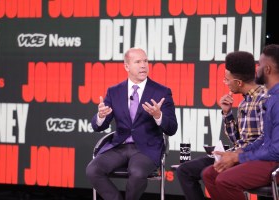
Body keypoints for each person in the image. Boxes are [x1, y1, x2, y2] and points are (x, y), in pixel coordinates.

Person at [85, 47, 178, 200]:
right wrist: (101, 116)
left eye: (145, 61)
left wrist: (158, 115)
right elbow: (98, 126)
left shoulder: (161, 92)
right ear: (127, 66)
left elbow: (172, 128)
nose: (143, 65)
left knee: (138, 172)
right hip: (119, 146)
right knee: (93, 170)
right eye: (138, 62)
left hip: (146, 148)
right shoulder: (114, 91)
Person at [176, 51, 267, 200]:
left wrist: (238, 155)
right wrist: (227, 113)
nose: (225, 83)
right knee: (184, 171)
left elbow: (265, 139)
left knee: (211, 174)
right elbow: (237, 139)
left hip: (250, 159)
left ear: (238, 82)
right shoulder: (245, 102)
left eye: (226, 79)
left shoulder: (263, 99)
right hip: (236, 153)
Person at [202, 44, 279, 200]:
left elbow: (275, 150)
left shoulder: (275, 100)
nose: (255, 70)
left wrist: (238, 158)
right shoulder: (271, 98)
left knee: (225, 180)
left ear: (268, 70)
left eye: (260, 65)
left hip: (274, 162)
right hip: (267, 157)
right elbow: (265, 138)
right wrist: (239, 152)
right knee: (209, 174)